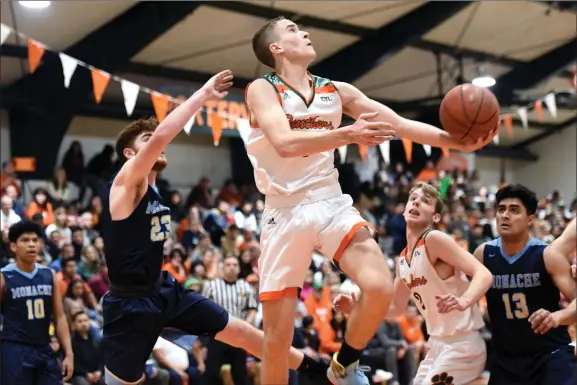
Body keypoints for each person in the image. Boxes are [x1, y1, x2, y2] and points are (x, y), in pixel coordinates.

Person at [245, 17, 496, 385]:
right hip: (283, 211)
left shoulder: (335, 90)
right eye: (294, 31)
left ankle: (342, 364)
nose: (305, 33)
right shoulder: (262, 89)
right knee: (277, 344)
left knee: (379, 286)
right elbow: (284, 142)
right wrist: (348, 134)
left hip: (330, 201)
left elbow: (398, 124)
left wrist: (458, 141)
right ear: (276, 48)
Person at [100, 70, 331, 385]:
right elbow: (163, 134)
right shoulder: (127, 181)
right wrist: (203, 95)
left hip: (162, 289)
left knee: (241, 332)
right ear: (129, 153)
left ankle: (318, 369)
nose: (158, 143)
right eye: (147, 139)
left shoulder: (154, 190)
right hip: (128, 303)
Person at [335, 182, 493, 384]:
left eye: (425, 201)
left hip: (462, 345)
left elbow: (484, 273)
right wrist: (357, 309)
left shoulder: (434, 240)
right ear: (404, 210)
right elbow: (394, 310)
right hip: (436, 346)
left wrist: (464, 301)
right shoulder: (403, 261)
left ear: (435, 217)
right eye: (413, 199)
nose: (417, 202)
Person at [473, 184, 576, 385]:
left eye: (514, 210)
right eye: (501, 209)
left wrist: (557, 317)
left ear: (530, 219)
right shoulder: (483, 254)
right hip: (506, 359)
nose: (505, 215)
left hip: (550, 354)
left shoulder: (547, 255)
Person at [0, 220, 74, 385]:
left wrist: (69, 353)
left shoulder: (50, 275)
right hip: (14, 348)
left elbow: (60, 317)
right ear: (13, 246)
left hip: (43, 347)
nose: (31, 245)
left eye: (35, 240)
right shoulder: (4, 276)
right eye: (25, 241)